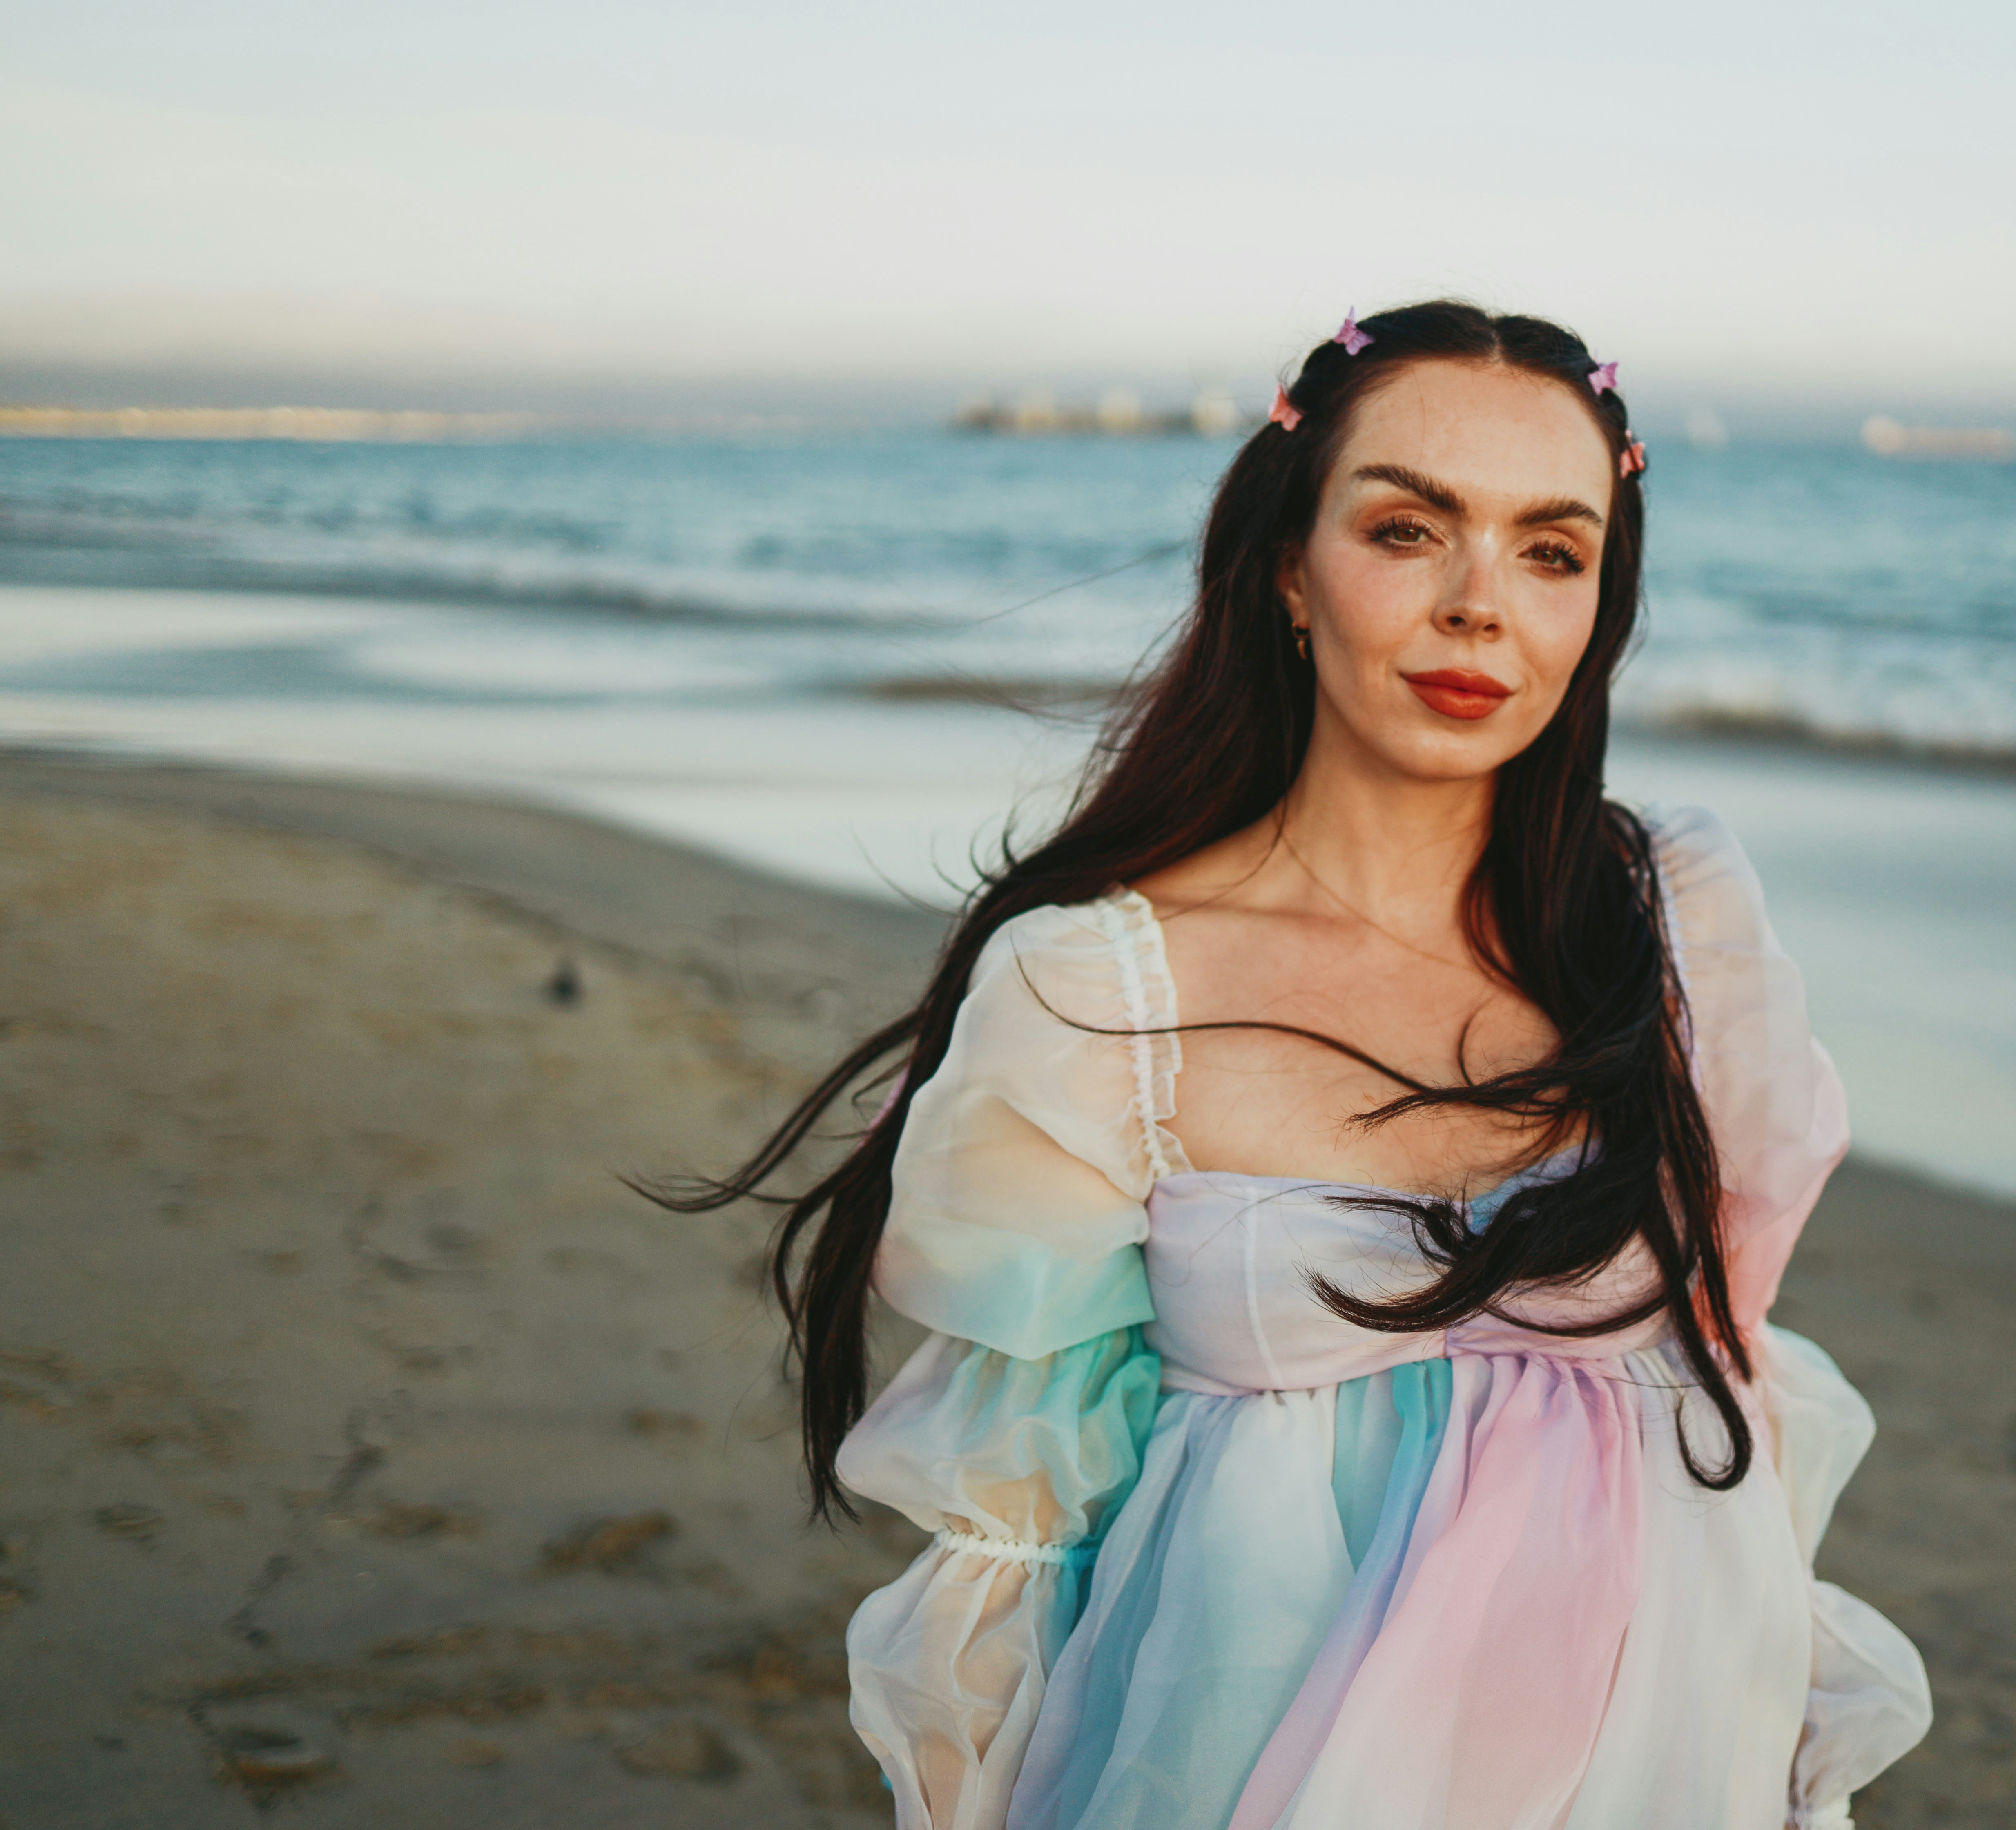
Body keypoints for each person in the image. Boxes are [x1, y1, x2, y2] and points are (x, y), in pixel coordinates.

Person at [662, 301, 1930, 1829]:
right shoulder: (1099, 988)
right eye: (1409, 530)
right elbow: (1018, 1544)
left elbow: (1731, 1387)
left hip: (1655, 1756)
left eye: (1551, 550)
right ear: (1288, 569)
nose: (1481, 608)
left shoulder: (1680, 923)